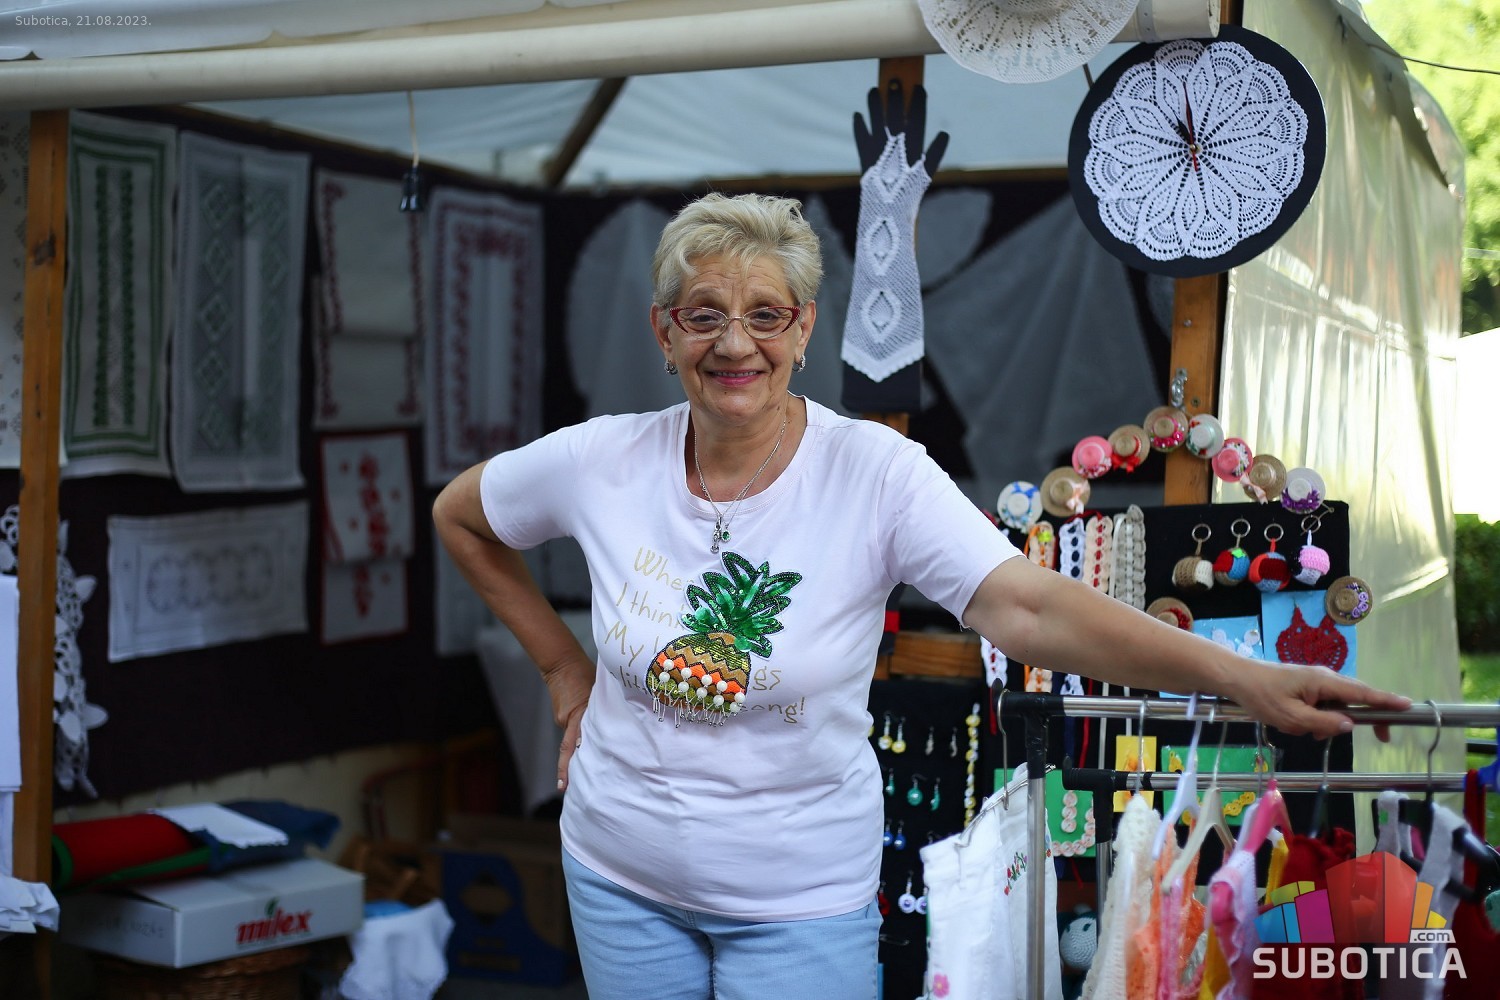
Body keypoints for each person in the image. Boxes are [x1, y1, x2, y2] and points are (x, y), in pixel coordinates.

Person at [431, 192, 1410, 1000]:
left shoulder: (875, 473)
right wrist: (563, 672)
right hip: (617, 876)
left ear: (804, 328)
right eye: (703, 313)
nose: (735, 343)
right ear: (663, 331)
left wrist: (1238, 676)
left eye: (766, 314)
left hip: (798, 903)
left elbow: (1026, 606)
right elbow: (460, 517)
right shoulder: (602, 459)